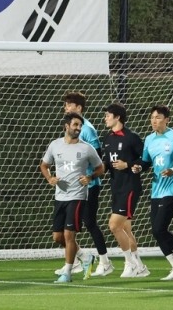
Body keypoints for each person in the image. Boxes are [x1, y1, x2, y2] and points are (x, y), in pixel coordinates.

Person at [132, 105, 173, 281]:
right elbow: (146, 161)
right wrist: (139, 166)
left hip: (172, 189)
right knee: (156, 231)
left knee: (160, 227)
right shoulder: (149, 140)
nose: (154, 121)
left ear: (167, 119)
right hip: (156, 189)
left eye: (158, 117)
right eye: (152, 117)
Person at [40, 112, 105, 283]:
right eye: (75, 125)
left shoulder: (86, 148)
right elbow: (44, 165)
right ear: (66, 126)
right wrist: (50, 178)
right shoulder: (55, 145)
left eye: (80, 126)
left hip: (78, 196)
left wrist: (90, 177)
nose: (78, 128)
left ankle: (67, 272)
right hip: (60, 196)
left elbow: (100, 168)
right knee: (57, 237)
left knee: (69, 235)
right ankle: (85, 257)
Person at [54, 92, 109, 278]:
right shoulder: (70, 129)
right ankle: (79, 260)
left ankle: (103, 261)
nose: (66, 108)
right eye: (65, 105)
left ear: (79, 108)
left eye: (69, 105)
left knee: (89, 223)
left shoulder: (87, 129)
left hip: (88, 186)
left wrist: (89, 177)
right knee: (66, 230)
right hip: (71, 187)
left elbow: (98, 158)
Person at [101, 103, 149, 278]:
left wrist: (128, 165)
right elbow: (106, 163)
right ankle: (140, 266)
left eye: (108, 115)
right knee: (126, 229)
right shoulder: (107, 139)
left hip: (130, 187)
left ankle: (130, 264)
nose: (105, 118)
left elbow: (146, 160)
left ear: (117, 117)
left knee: (114, 225)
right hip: (116, 187)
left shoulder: (132, 138)